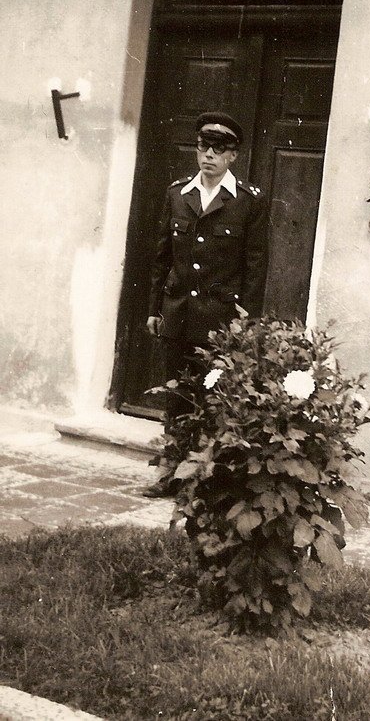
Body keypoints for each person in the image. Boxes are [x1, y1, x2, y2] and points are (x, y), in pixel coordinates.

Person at [142, 111, 269, 497]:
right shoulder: (178, 194)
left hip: (220, 319)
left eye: (219, 148)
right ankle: (169, 471)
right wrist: (154, 309)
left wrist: (246, 320)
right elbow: (162, 257)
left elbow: (256, 266)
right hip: (178, 313)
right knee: (177, 396)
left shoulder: (248, 201)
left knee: (215, 400)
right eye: (203, 146)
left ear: (233, 155)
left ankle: (203, 479)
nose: (209, 155)